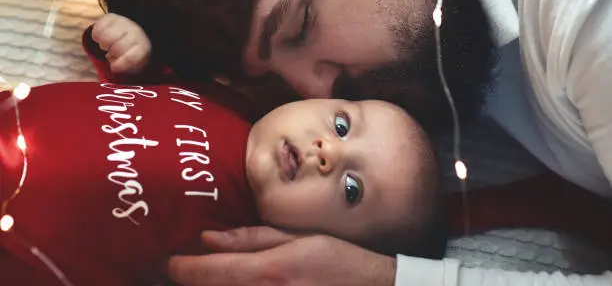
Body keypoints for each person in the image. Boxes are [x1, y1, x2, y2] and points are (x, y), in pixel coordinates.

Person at [87, 0, 612, 284]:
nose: (316, 93)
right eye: (270, 81)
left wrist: (387, 279)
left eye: (300, 26)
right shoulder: (426, 2)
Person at [0, 79, 444, 285]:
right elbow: (136, 76)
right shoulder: (228, 98)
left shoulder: (232, 250)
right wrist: (126, 44)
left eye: (352, 189)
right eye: (343, 125)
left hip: (23, 253)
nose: (329, 151)